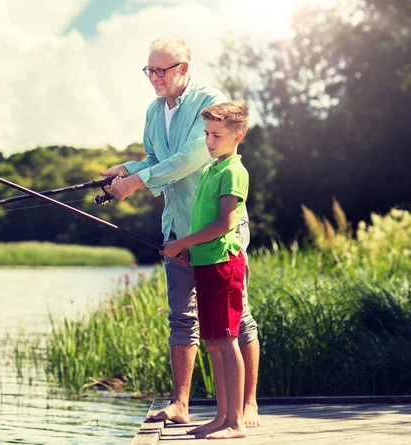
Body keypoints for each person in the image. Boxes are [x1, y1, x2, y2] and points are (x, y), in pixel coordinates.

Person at [100, 37, 260, 427]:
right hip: (176, 228)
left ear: (183, 69)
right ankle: (180, 404)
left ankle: (247, 405)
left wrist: (138, 182)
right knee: (181, 318)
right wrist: (127, 168)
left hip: (215, 232)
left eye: (161, 70)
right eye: (149, 70)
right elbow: (157, 159)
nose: (154, 77)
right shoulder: (155, 112)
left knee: (237, 319)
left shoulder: (209, 101)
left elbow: (192, 157)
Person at [161, 100, 250, 439]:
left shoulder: (232, 171)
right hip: (206, 264)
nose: (210, 141)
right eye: (206, 134)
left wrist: (182, 243)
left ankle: (236, 422)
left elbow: (226, 223)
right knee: (213, 341)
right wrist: (191, 252)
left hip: (225, 267)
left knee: (227, 341)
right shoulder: (212, 169)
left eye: (217, 135)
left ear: (236, 136)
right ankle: (221, 416)